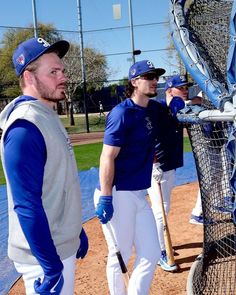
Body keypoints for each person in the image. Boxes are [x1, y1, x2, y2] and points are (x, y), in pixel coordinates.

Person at [0, 37, 89, 295]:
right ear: (29, 77)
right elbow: (26, 204)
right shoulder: (26, 126)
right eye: (53, 72)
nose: (63, 77)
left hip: (58, 244)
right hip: (43, 255)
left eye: (62, 70)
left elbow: (56, 183)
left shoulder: (46, 114)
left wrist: (75, 229)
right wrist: (50, 266)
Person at [94, 60, 167, 295]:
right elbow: (107, 157)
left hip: (138, 191)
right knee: (121, 256)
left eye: (155, 76)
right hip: (118, 192)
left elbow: (169, 113)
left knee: (152, 252)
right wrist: (106, 196)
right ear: (135, 82)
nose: (154, 80)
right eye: (149, 77)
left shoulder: (152, 109)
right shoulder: (121, 113)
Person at [147, 74, 202, 272]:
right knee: (160, 210)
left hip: (170, 166)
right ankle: (160, 251)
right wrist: (152, 159)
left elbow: (187, 102)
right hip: (157, 167)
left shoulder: (179, 107)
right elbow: (145, 132)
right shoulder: (157, 108)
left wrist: (192, 100)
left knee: (164, 208)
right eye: (181, 87)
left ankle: (157, 244)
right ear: (170, 90)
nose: (185, 89)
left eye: (186, 86)